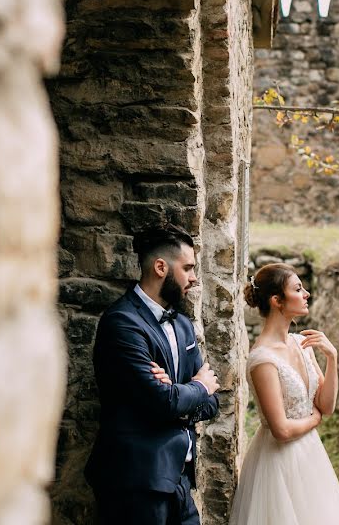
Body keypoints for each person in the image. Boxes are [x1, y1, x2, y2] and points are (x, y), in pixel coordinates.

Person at [85, 224, 221, 525]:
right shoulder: (122, 323)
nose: (194, 277)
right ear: (161, 267)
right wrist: (194, 388)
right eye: (187, 268)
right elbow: (166, 401)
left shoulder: (183, 324)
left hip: (180, 482)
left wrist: (177, 391)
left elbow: (212, 403)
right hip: (135, 482)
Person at [229, 263, 339, 525]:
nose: (306, 293)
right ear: (277, 300)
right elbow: (282, 430)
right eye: (298, 289)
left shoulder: (302, 343)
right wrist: (314, 421)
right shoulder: (262, 358)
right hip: (279, 463)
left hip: (310, 456)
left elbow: (326, 405)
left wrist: (332, 358)